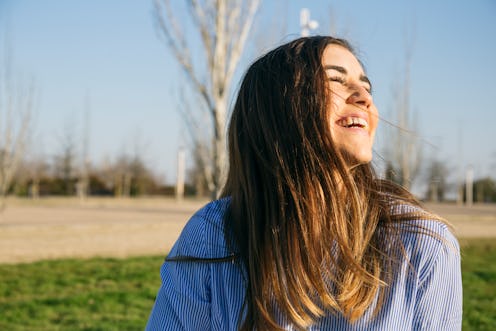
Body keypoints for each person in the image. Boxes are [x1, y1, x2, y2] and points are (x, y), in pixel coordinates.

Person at [145, 36, 462, 330]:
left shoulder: (423, 245)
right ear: (277, 109)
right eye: (336, 80)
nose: (364, 97)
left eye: (366, 86)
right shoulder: (212, 233)